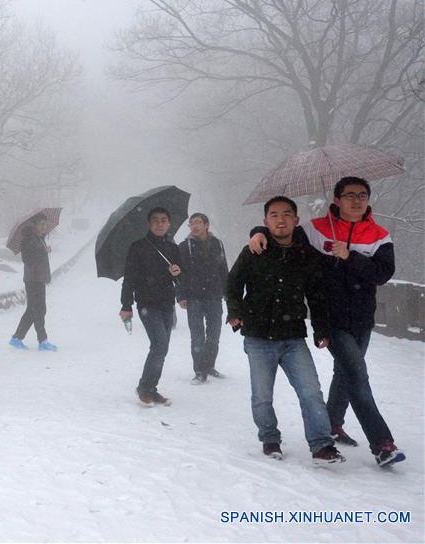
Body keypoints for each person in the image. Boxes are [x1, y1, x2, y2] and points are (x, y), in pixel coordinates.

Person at [247, 177, 405, 467]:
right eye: (349, 195)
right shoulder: (315, 229)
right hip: (330, 317)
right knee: (357, 376)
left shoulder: (379, 235)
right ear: (336, 199)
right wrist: (257, 231)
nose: (356, 200)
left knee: (345, 373)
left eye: (362, 195)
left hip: (361, 318)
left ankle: (332, 423)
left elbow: (382, 274)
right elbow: (282, 233)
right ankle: (382, 443)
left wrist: (350, 256)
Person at [227, 196, 344, 464]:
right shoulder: (254, 250)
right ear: (265, 221)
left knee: (311, 392)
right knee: (262, 396)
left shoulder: (306, 255)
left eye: (287, 214)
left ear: (296, 220)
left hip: (293, 337)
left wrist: (321, 329)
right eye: (274, 214)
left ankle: (322, 445)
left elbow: (316, 295)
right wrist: (235, 313)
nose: (281, 219)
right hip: (257, 337)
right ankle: (270, 439)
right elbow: (233, 284)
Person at [119, 207, 183, 406]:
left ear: (169, 224)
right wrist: (126, 305)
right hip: (147, 303)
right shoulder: (138, 247)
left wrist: (177, 272)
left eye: (164, 220)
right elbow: (129, 277)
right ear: (148, 224)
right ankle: (144, 387)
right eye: (155, 220)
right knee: (159, 345)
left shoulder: (173, 248)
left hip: (167, 303)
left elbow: (182, 278)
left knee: (161, 349)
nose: (159, 223)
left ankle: (151, 388)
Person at [178, 213, 229, 385]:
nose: (194, 226)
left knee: (214, 334)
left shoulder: (217, 244)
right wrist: (181, 296)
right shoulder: (185, 246)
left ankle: (209, 365)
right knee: (197, 336)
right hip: (194, 297)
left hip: (214, 295)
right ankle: (199, 371)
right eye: (191, 223)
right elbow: (180, 274)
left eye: (198, 222)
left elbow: (223, 268)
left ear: (206, 224)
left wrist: (227, 291)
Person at [9, 213, 56, 351]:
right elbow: (28, 259)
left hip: (38, 278)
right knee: (39, 310)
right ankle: (43, 340)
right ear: (34, 225)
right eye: (42, 224)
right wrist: (42, 250)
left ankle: (17, 338)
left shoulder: (38, 238)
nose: (44, 226)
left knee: (32, 310)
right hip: (33, 279)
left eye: (45, 224)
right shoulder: (29, 239)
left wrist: (43, 249)